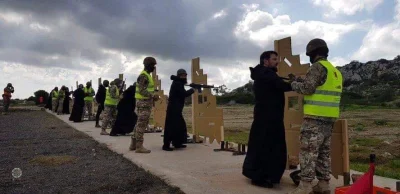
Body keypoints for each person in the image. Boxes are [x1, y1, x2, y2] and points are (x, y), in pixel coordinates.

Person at [288, 38, 343, 194]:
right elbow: (319, 86)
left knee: (308, 152)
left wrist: (293, 84)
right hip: (329, 119)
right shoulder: (335, 71)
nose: (309, 58)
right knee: (323, 153)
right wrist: (299, 79)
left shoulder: (317, 67)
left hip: (314, 119)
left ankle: (305, 187)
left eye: (309, 55)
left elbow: (308, 89)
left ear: (313, 53)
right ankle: (324, 185)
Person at [242, 51, 293, 188]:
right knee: (268, 147)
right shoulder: (266, 75)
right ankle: (260, 177)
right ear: (265, 61)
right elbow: (282, 86)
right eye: (274, 59)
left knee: (263, 146)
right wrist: (297, 84)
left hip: (267, 117)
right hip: (269, 118)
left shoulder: (263, 74)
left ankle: (265, 175)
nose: (277, 61)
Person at [129, 56, 159, 153]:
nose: (154, 67)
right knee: (142, 124)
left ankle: (133, 144)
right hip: (143, 103)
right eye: (153, 65)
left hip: (144, 102)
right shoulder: (144, 75)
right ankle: (139, 146)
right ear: (148, 65)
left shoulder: (147, 75)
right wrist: (152, 96)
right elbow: (142, 90)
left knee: (139, 123)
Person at [162, 69, 195, 151]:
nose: (185, 76)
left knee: (179, 127)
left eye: (185, 75)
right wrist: (192, 90)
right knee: (171, 127)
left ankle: (177, 143)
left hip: (176, 109)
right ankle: (166, 145)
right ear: (179, 75)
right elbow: (183, 94)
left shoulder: (179, 82)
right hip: (173, 109)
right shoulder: (177, 83)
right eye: (183, 75)